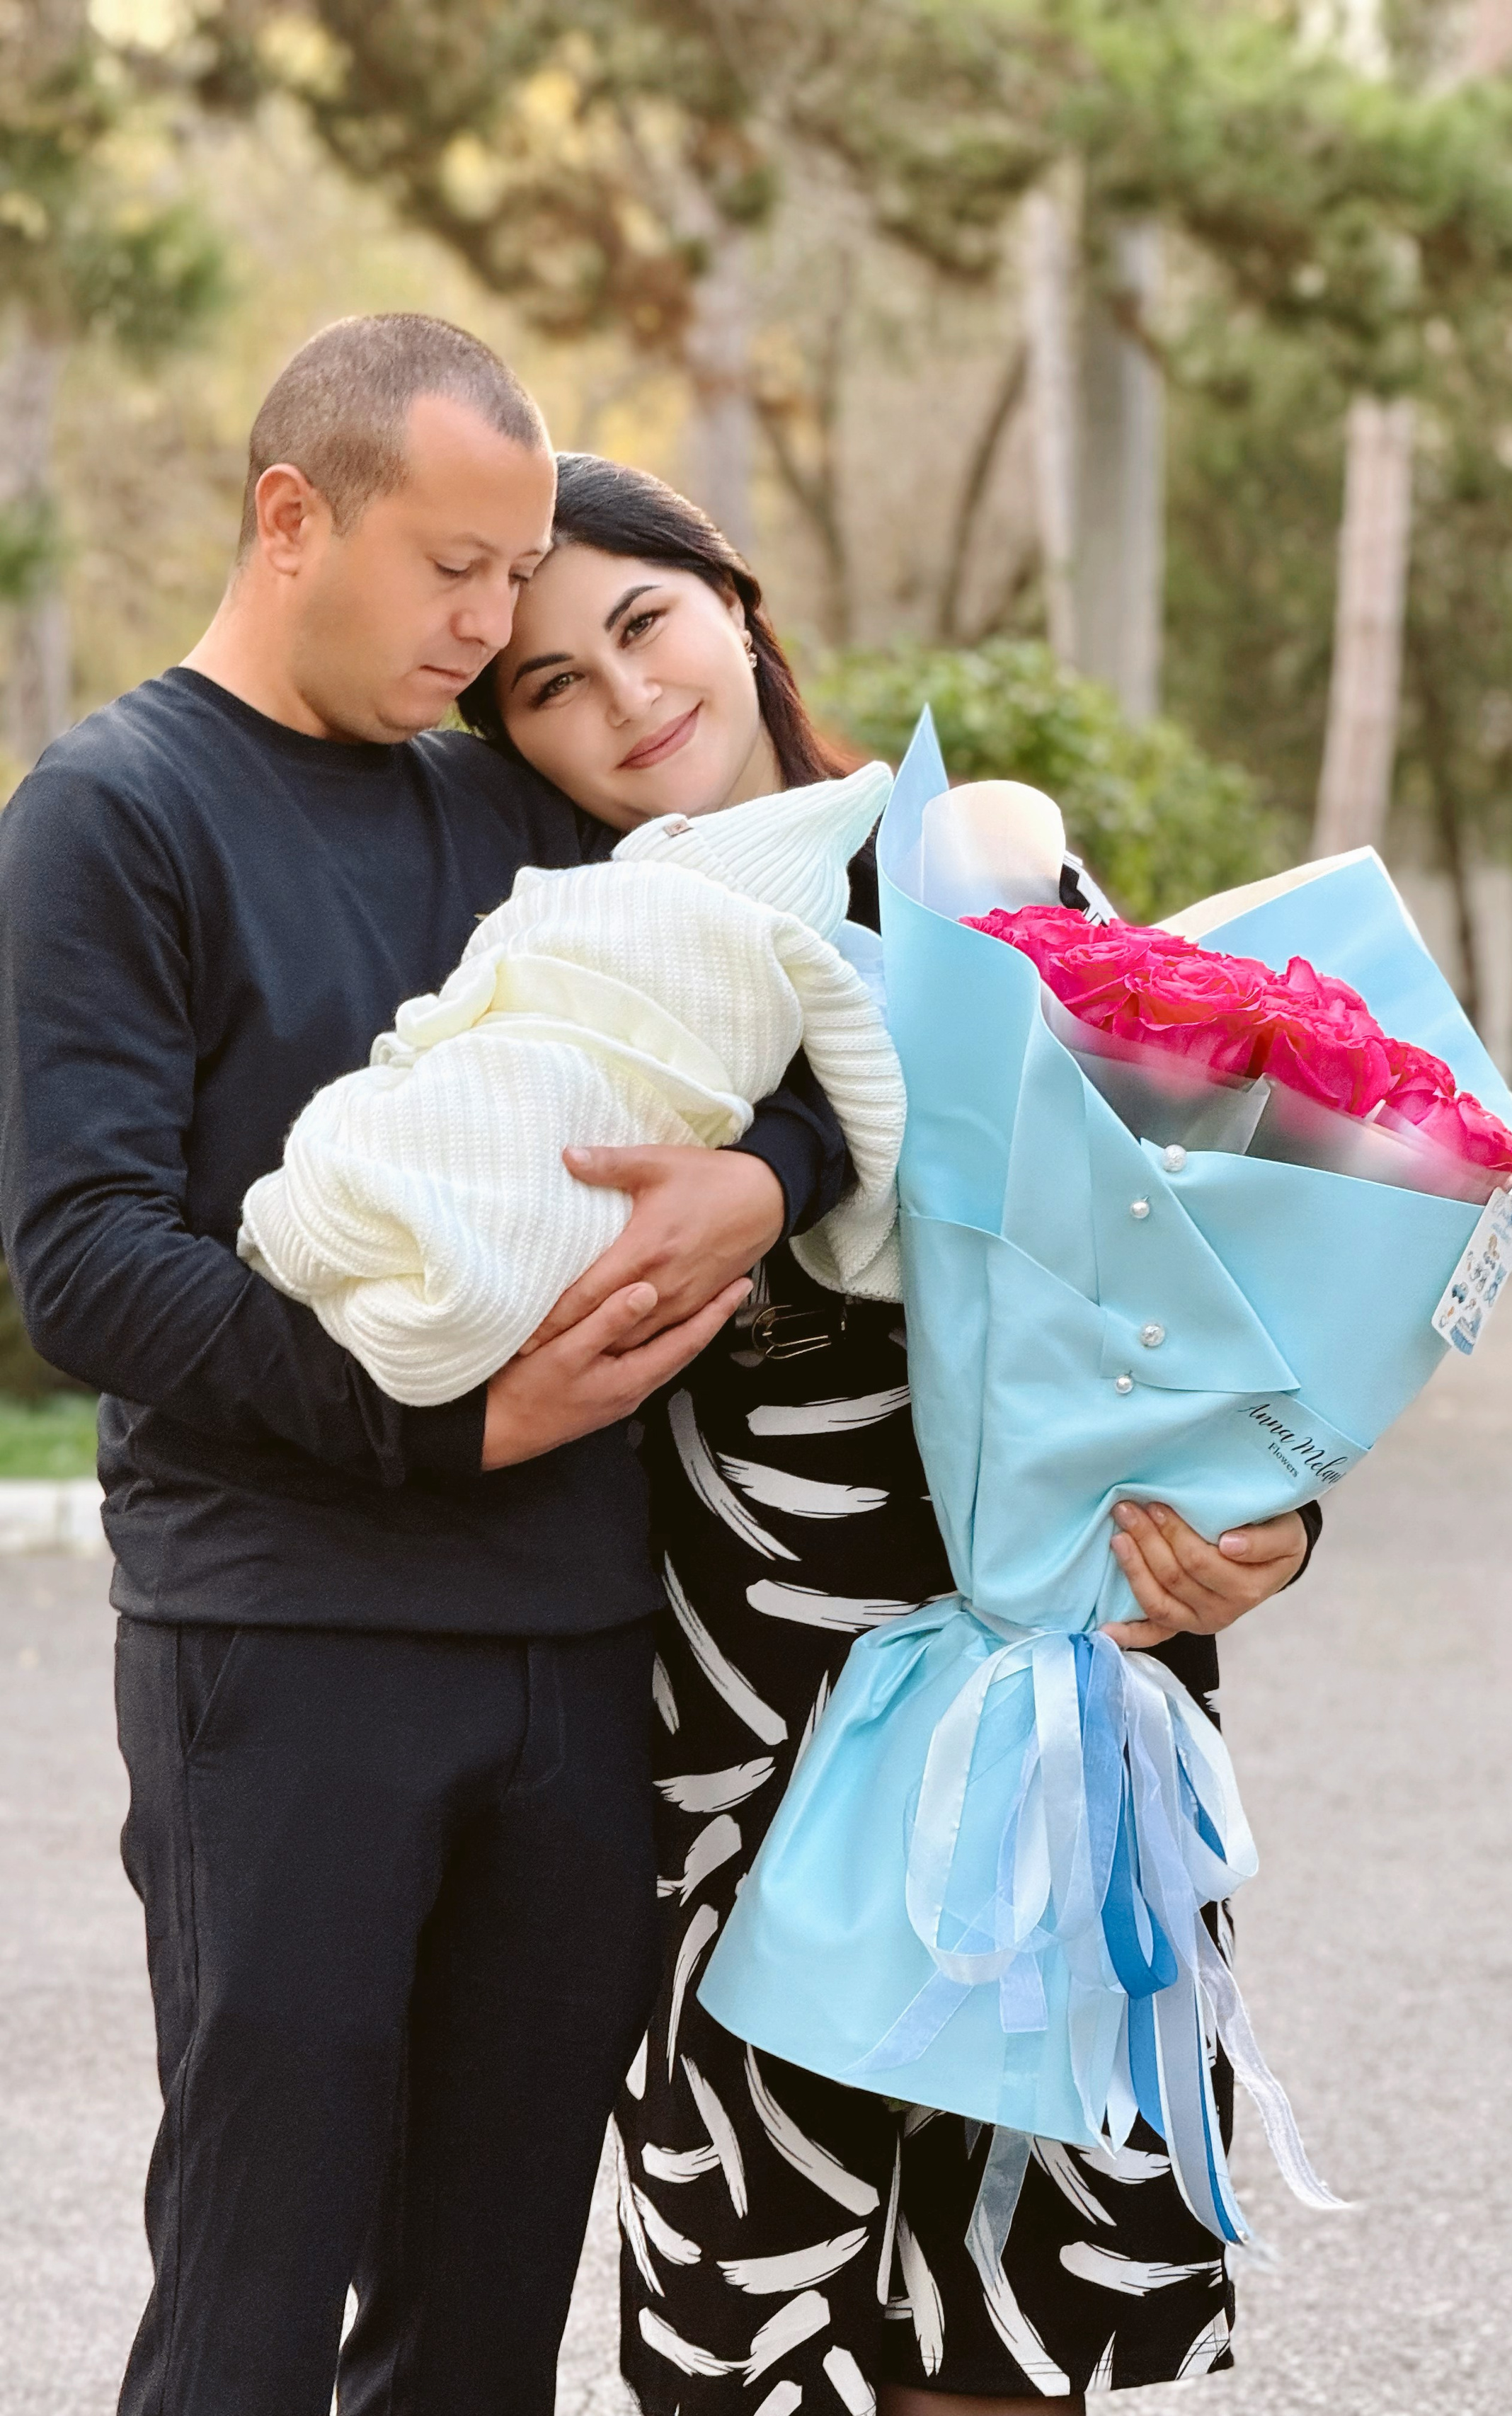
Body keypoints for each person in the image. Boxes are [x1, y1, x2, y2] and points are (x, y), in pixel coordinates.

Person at [0, 319, 852, 2416]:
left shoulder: (518, 805)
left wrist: (766, 1179)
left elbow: (798, 1012)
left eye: (523, 579)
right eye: (455, 570)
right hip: (284, 1650)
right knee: (252, 2302)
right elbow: (84, 1265)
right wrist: (437, 1418)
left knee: (483, 2330)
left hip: (579, 1648)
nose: (495, 630)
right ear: (295, 518)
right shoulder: (109, 817)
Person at [462, 454, 1324, 2412]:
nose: (625, 698)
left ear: (735, 603)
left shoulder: (1000, 878)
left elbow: (1215, 1281)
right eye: (548, 685)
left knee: (1033, 2330)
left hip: (1072, 1734)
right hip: (749, 1772)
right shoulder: (557, 989)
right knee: (777, 2332)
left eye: (643, 623)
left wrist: (1273, 1527)